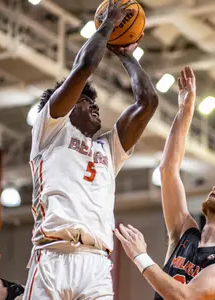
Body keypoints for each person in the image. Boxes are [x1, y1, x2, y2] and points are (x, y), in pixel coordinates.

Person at [23, 0, 159, 298]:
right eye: (86, 101)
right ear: (67, 105)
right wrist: (109, 24)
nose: (95, 105)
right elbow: (84, 67)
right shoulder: (50, 130)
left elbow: (148, 103)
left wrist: (126, 55)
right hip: (52, 256)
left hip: (96, 262)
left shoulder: (108, 148)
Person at [114, 66, 215, 300]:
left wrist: (141, 257)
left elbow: (187, 297)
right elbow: (168, 170)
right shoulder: (185, 231)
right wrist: (186, 110)